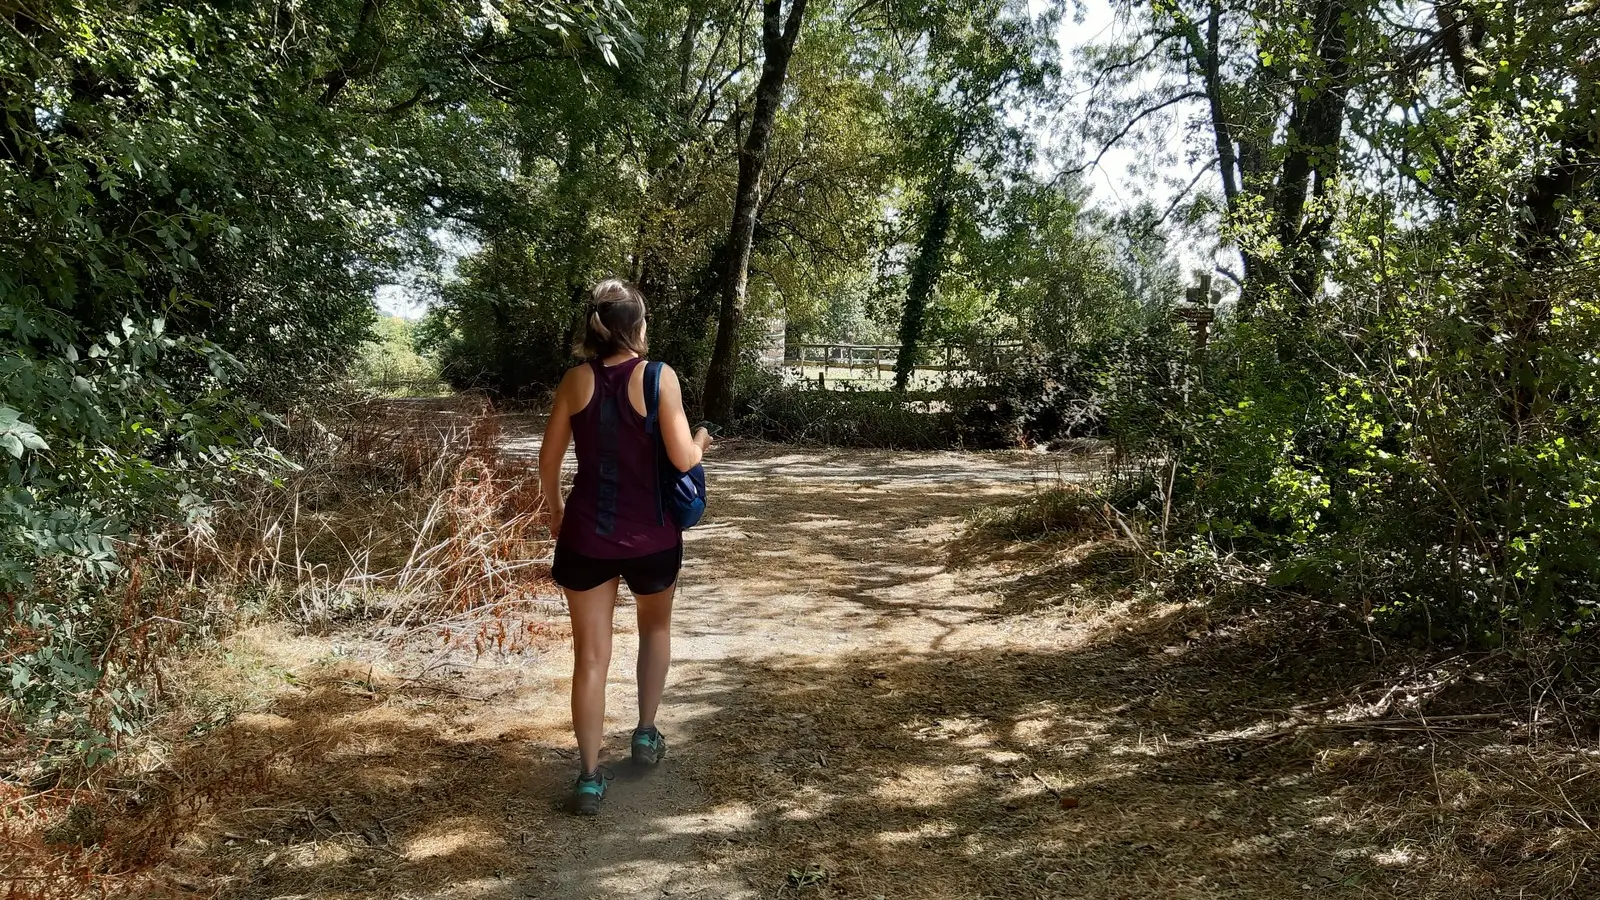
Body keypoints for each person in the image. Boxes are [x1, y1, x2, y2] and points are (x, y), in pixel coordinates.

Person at [538, 279, 713, 816]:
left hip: (587, 536)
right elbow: (685, 459)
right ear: (636, 327)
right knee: (654, 629)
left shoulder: (574, 381)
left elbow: (547, 461)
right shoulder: (659, 377)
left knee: (590, 658)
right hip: (653, 537)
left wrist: (556, 513)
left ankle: (589, 777)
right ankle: (644, 733)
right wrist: (704, 440)